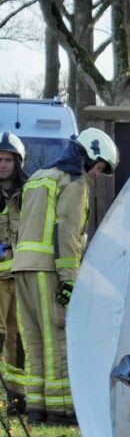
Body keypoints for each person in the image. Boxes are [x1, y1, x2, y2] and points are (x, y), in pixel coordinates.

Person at [11, 128, 118, 425]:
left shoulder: (37, 177)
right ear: (88, 156)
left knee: (32, 339)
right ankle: (61, 412)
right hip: (48, 268)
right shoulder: (73, 180)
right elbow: (67, 232)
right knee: (57, 336)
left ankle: (36, 408)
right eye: (99, 167)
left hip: (21, 267)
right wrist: (69, 279)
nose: (97, 174)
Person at [0, 132, 29, 415]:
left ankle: (16, 399)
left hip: (20, 278)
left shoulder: (30, 192)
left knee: (17, 338)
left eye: (8, 159)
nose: (2, 164)